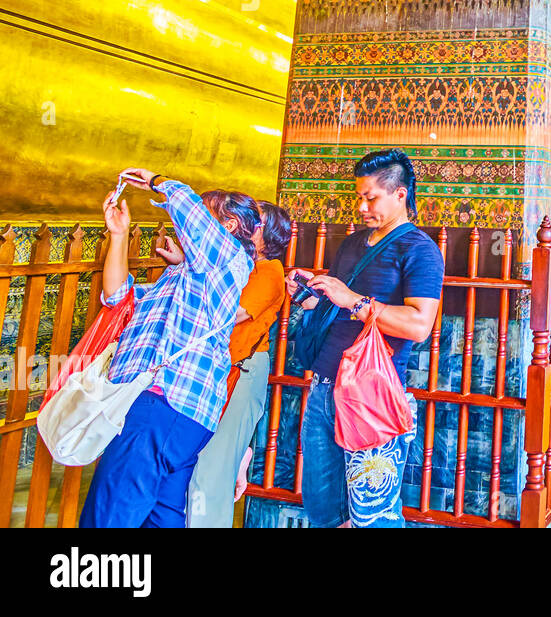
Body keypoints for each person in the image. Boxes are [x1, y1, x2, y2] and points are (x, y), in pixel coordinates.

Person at [80, 172, 258, 528]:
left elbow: (194, 218)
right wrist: (117, 236)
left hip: (162, 402)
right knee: (160, 516)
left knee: (111, 513)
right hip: (178, 413)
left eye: (208, 217)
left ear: (230, 224)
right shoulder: (182, 276)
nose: (188, 229)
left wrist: (159, 181)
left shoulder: (230, 262)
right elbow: (119, 297)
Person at [289, 148, 444, 528]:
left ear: (400, 194)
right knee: (323, 508)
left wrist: (352, 299)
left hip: (370, 395)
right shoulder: (352, 245)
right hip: (324, 387)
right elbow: (337, 304)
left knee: (372, 516)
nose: (362, 207)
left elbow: (418, 325)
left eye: (371, 197)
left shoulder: (420, 250)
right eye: (359, 197)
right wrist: (315, 293)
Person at [186, 200, 292, 527]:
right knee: (200, 461)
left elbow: (231, 315)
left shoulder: (270, 272)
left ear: (264, 234)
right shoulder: (241, 265)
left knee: (211, 471)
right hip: (223, 369)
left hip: (243, 371)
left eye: (253, 220)